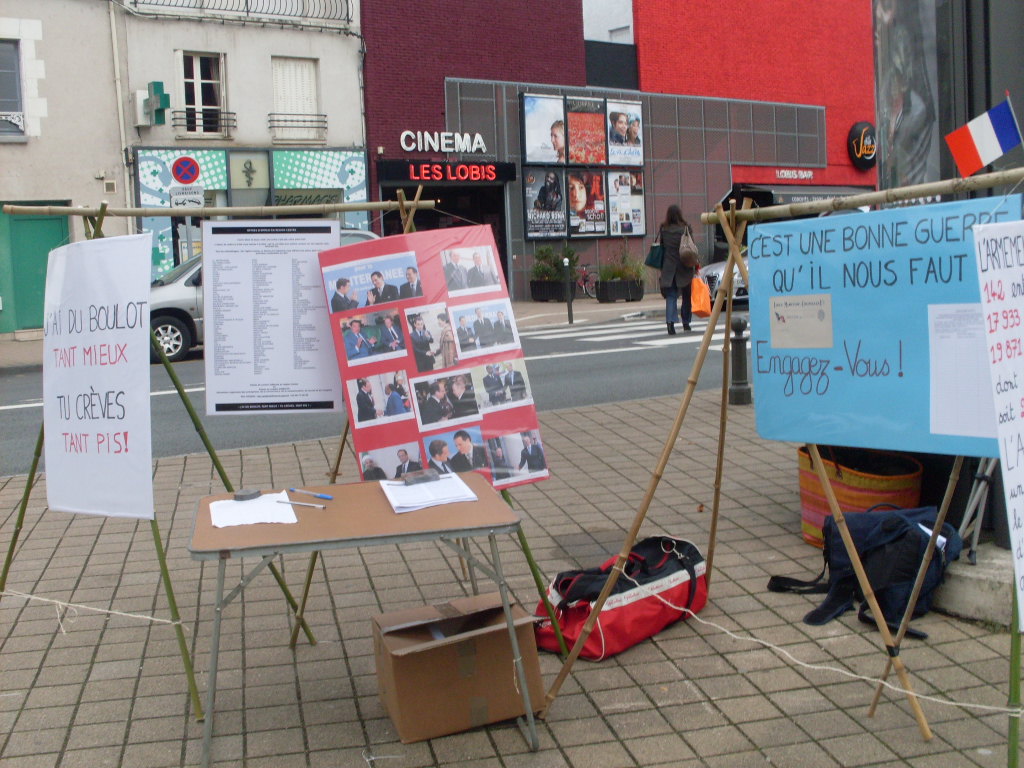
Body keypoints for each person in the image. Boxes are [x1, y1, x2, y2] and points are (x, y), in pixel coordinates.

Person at [658, 204, 697, 335]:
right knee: (686, 295)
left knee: (671, 296)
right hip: (684, 265)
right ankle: (686, 322)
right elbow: (692, 246)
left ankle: (670, 323)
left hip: (669, 266)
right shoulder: (685, 228)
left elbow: (662, 246)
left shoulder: (664, 229)